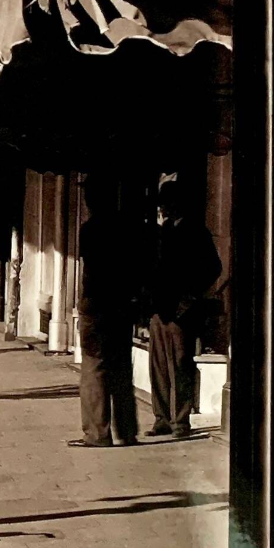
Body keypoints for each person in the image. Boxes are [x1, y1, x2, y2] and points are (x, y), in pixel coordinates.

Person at [143, 178, 223, 440]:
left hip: (181, 311)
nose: (164, 209)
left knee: (179, 366)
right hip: (159, 309)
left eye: (167, 204)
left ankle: (180, 421)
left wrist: (190, 296)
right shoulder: (161, 232)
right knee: (158, 367)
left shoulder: (195, 232)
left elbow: (213, 267)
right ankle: (162, 418)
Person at [70, 175, 142, 448]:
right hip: (122, 306)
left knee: (94, 368)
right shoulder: (128, 227)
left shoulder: (91, 229)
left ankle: (97, 433)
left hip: (98, 307)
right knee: (121, 368)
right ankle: (127, 430)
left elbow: (91, 266)